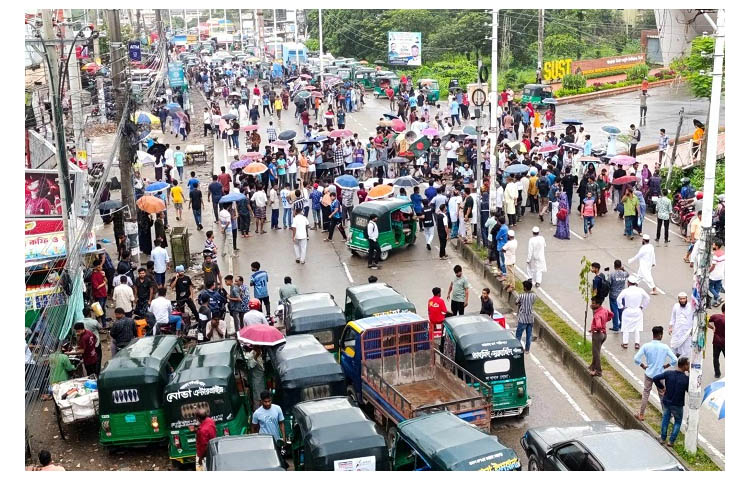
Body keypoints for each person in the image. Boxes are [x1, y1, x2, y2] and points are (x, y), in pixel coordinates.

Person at [633, 325, 678, 420]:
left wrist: (643, 365)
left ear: (653, 334)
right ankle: (666, 414)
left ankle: (641, 414)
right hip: (660, 375)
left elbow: (636, 358)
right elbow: (674, 359)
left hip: (649, 373)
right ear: (660, 335)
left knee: (646, 393)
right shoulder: (664, 347)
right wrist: (666, 366)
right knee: (662, 394)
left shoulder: (646, 346)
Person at [653, 357, 690, 447]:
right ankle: (671, 441)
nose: (689, 366)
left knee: (665, 418)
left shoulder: (668, 373)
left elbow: (655, 378)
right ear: (684, 365)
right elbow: (689, 390)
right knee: (677, 421)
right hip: (678, 404)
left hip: (667, 401)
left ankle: (662, 438)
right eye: (688, 364)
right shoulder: (686, 379)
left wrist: (662, 388)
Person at [617, 275, 650, 350]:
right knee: (637, 327)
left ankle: (625, 343)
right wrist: (642, 306)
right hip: (637, 310)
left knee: (625, 326)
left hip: (627, 310)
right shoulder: (640, 290)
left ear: (628, 283)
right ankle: (637, 343)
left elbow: (618, 299)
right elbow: (647, 298)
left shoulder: (625, 291)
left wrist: (621, 306)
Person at [589, 296, 613, 376]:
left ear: (598, 304)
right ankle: (592, 366)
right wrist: (605, 320)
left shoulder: (597, 315)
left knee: (596, 353)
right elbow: (611, 315)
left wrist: (593, 329)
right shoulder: (604, 310)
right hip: (604, 334)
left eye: (593, 304)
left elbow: (598, 326)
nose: (591, 305)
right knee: (596, 350)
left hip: (597, 335)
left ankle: (598, 371)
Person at [669, 292, 694, 358]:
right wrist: (670, 327)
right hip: (677, 330)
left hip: (687, 331)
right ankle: (675, 359)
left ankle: (684, 363)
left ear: (686, 299)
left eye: (684, 299)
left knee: (686, 348)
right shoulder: (676, 306)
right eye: (681, 299)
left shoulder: (691, 306)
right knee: (674, 345)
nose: (682, 300)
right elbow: (673, 317)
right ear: (678, 299)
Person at [605, 260, 628, 333]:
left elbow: (608, 283)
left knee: (614, 311)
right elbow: (628, 274)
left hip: (613, 295)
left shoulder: (612, 274)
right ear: (620, 266)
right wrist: (623, 269)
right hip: (622, 295)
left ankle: (615, 326)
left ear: (614, 266)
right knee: (621, 310)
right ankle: (622, 324)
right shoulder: (624, 274)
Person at [516, 280, 536, 353]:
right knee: (529, 335)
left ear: (525, 288)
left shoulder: (521, 295)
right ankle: (527, 350)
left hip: (522, 318)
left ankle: (517, 348)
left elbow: (516, 302)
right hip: (530, 318)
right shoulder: (534, 295)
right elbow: (533, 302)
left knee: (518, 335)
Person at [245, 345, 266, 410]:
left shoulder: (261, 352)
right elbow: (250, 365)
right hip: (256, 381)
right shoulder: (251, 354)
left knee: (262, 396)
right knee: (257, 398)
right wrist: (256, 356)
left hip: (261, 380)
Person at [707, 303, 725, 378]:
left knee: (716, 358)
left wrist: (712, 327)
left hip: (716, 341)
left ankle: (717, 374)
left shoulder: (716, 316)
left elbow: (705, 321)